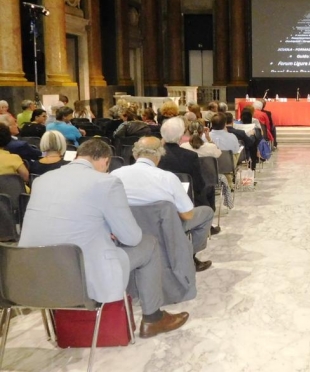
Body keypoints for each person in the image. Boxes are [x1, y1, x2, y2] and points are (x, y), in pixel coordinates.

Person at [19, 139, 190, 338]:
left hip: (31, 277)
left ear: (76, 157)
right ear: (105, 161)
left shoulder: (41, 180)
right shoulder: (106, 182)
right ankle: (153, 318)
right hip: (81, 275)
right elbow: (132, 238)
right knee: (149, 244)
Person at [112, 137, 215, 271]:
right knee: (206, 212)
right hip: (162, 227)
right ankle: (189, 256)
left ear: (135, 153)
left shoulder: (115, 174)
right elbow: (187, 215)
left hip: (128, 227)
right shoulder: (168, 178)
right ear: (159, 154)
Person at [158, 117, 213, 209]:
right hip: (186, 198)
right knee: (209, 188)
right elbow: (198, 184)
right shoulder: (190, 156)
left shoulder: (155, 155)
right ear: (181, 135)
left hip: (161, 196)